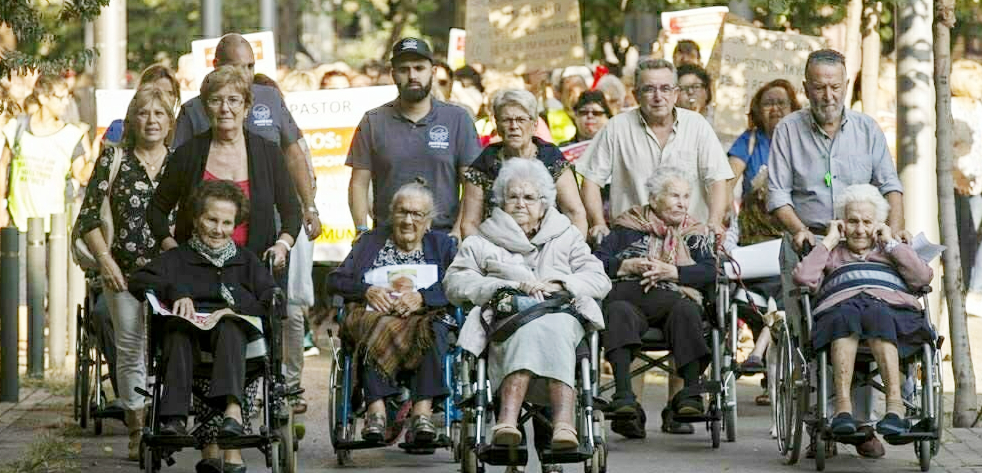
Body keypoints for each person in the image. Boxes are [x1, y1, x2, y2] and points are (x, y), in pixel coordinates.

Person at [767, 48, 910, 459]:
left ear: (846, 86)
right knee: (811, 335)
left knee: (865, 316)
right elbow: (777, 194)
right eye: (819, 87)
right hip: (809, 243)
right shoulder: (789, 130)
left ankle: (861, 426)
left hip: (861, 246)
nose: (828, 95)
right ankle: (820, 427)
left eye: (835, 86)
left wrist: (893, 231)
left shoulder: (866, 129)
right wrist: (799, 233)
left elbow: (890, 184)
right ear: (805, 88)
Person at [446, 158, 610, 455]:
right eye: (513, 196)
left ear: (545, 203)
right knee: (527, 329)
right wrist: (502, 287)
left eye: (529, 197)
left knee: (554, 325)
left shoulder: (566, 236)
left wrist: (562, 284)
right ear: (501, 201)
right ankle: (553, 423)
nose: (520, 203)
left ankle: (521, 421)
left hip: (559, 314)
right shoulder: (483, 239)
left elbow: (598, 278)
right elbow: (455, 282)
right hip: (507, 319)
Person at [130, 180, 281, 473]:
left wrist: (234, 309)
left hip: (231, 335)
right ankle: (173, 419)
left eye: (227, 223)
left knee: (230, 327)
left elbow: (273, 298)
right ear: (197, 218)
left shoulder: (245, 260)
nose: (218, 229)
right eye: (212, 219)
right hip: (188, 336)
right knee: (176, 329)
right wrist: (176, 291)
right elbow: (138, 280)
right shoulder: (177, 259)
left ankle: (232, 411)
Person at [75, 86, 175, 460]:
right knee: (131, 349)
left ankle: (164, 420)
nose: (152, 121)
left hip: (169, 274)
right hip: (122, 273)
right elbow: (87, 219)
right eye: (145, 113)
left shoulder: (179, 161)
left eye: (159, 114)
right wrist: (106, 263)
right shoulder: (114, 159)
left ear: (170, 122)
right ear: (133, 120)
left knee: (170, 348)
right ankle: (136, 430)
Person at [792, 184, 934, 438]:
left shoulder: (890, 250)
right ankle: (843, 410)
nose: (859, 229)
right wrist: (829, 240)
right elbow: (803, 279)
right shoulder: (832, 253)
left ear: (878, 224)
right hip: (842, 312)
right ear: (842, 223)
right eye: (852, 221)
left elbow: (923, 276)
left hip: (891, 313)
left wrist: (890, 242)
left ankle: (895, 408)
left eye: (867, 222)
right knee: (845, 314)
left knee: (877, 313)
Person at [326, 179, 456, 445]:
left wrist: (422, 297)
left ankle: (422, 412)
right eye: (402, 212)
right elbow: (335, 280)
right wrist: (366, 290)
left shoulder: (442, 245)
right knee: (375, 324)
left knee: (430, 329)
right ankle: (376, 411)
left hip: (424, 316)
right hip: (375, 316)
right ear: (391, 214)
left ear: (428, 221)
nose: (408, 220)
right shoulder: (370, 242)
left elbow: (458, 285)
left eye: (416, 214)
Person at [595, 167, 716, 439]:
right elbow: (596, 262)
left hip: (672, 300)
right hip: (630, 296)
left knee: (687, 310)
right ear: (654, 198)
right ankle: (624, 396)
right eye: (674, 196)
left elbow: (710, 270)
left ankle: (689, 395)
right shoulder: (627, 227)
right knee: (616, 311)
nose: (682, 203)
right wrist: (626, 265)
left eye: (686, 196)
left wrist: (674, 272)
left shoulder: (694, 233)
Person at [148, 65, 300, 269]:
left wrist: (282, 246)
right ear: (205, 108)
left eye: (233, 100)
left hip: (256, 273)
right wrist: (174, 251)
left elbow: (292, 211)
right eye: (215, 100)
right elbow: (156, 210)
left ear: (246, 108)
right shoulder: (188, 154)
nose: (225, 108)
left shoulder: (269, 153)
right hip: (196, 274)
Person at [576, 58, 733, 243]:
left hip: (689, 239)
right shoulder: (616, 128)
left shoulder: (698, 126)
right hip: (632, 240)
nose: (658, 97)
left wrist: (714, 222)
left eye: (665, 89)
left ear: (675, 94)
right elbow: (591, 180)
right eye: (649, 89)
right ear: (635, 95)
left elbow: (717, 179)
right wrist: (598, 223)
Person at [348, 37, 482, 238]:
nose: (412, 75)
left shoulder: (458, 119)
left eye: (419, 68)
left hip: (443, 236)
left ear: (433, 72)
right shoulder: (372, 121)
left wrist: (457, 233)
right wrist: (361, 230)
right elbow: (358, 183)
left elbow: (472, 183)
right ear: (393, 75)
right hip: (387, 237)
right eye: (404, 69)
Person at [460, 89, 587, 238]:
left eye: (520, 119)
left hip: (548, 249)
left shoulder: (551, 158)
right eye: (507, 120)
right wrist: (481, 254)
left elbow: (574, 213)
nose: (514, 126)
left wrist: (571, 253)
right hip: (495, 250)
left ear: (534, 125)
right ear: (497, 125)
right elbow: (469, 223)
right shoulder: (484, 162)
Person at [0, 73, 94, 232]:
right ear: (43, 98)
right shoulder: (17, 127)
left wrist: (96, 154)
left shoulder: (71, 135)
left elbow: (82, 177)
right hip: (17, 224)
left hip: (55, 229)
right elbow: (2, 166)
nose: (66, 103)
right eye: (60, 98)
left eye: (68, 97)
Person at [727, 79, 801, 199]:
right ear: (759, 111)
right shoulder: (749, 140)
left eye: (781, 103)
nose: (775, 108)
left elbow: (826, 179)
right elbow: (727, 182)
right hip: (755, 216)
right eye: (768, 104)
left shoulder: (804, 141)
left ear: (792, 108)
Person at [101, 65, 181, 147]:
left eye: (170, 93)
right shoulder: (118, 129)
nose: (164, 97)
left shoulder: (183, 133)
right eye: (157, 91)